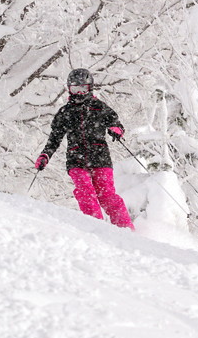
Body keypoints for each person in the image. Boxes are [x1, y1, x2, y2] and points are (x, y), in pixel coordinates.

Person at [34, 68, 135, 230]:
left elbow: (116, 123)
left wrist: (116, 130)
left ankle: (126, 229)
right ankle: (97, 228)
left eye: (83, 89)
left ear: (90, 88)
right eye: (75, 89)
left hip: (100, 158)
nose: (79, 93)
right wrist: (45, 155)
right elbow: (55, 138)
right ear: (69, 89)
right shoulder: (65, 112)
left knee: (107, 196)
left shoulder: (99, 107)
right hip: (76, 159)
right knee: (85, 192)